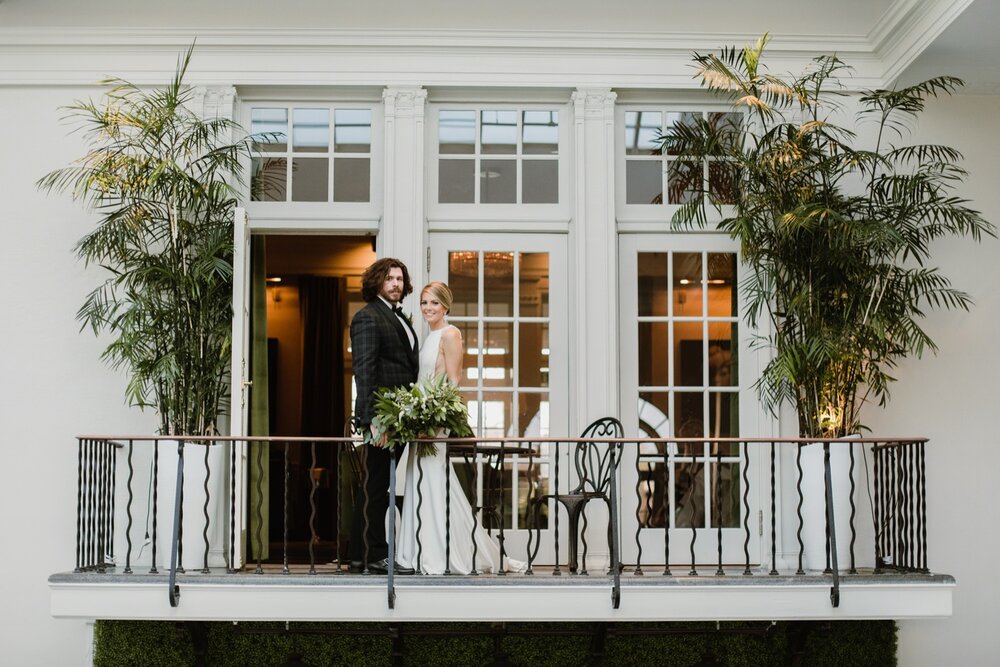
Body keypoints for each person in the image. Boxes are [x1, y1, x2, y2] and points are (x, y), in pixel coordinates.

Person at [396, 282, 525, 574]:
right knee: (422, 481)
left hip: (435, 422)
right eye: (425, 303)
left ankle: (444, 552)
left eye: (435, 304)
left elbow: (454, 381)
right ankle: (420, 550)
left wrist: (435, 420)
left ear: (446, 306)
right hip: (421, 420)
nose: (429, 308)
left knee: (433, 481)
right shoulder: (427, 337)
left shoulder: (451, 334)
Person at [348, 258, 419, 574]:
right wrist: (372, 420)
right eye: (389, 278)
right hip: (382, 419)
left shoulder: (395, 315)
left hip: (398, 417)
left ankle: (359, 554)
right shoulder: (368, 317)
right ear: (377, 281)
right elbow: (363, 372)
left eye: (400, 279)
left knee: (377, 484)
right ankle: (372, 554)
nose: (395, 284)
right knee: (375, 486)